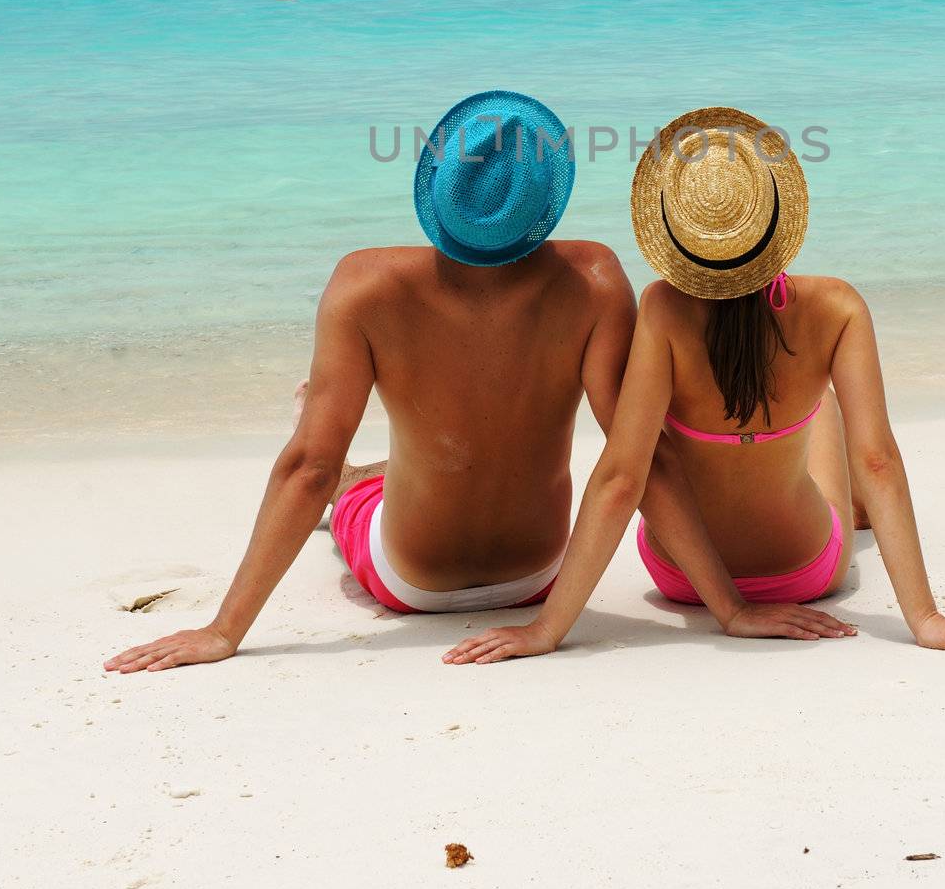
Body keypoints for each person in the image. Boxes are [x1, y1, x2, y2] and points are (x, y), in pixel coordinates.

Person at [106, 91, 840, 675]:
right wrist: (729, 611)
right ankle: (370, 475)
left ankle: (355, 484)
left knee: (341, 473)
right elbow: (645, 460)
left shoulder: (364, 287)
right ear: (546, 201)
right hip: (538, 576)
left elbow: (305, 467)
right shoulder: (594, 280)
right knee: (433, 452)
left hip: (410, 580)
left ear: (435, 192)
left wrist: (224, 630)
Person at [445, 106, 945, 666]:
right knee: (821, 406)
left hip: (681, 577)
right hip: (805, 570)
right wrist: (926, 619)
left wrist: (547, 629)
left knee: (665, 440)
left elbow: (623, 478)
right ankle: (854, 511)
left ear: (676, 240)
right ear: (778, 220)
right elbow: (877, 460)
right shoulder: (837, 307)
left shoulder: (663, 310)